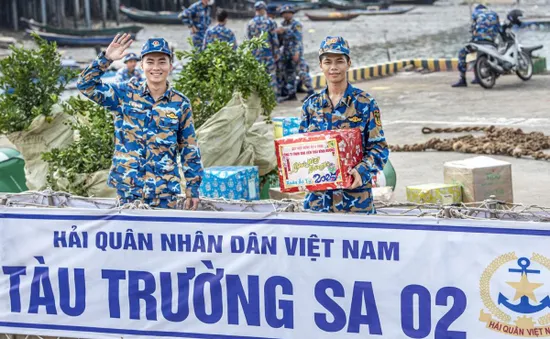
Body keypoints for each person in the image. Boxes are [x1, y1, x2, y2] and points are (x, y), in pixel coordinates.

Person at [77, 34, 204, 210]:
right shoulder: (125, 94)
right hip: (129, 191)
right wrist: (106, 59)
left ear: (170, 66)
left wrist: (193, 189)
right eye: (150, 62)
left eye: (162, 62)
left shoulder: (180, 103)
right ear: (142, 65)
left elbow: (189, 148)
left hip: (164, 192)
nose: (156, 67)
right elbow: (85, 85)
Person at [298, 36, 389, 214]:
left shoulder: (365, 103)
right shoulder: (310, 105)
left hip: (355, 203)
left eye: (339, 61)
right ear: (320, 66)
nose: (333, 67)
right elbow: (302, 149)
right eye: (328, 62)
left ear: (349, 63)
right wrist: (299, 175)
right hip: (318, 203)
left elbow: (379, 149)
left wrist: (361, 171)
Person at [452, 4, 500, 87]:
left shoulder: (476, 13)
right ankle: (478, 78)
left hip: (479, 42)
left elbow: (473, 29)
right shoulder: (494, 14)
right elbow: (499, 29)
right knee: (479, 55)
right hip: (491, 43)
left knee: (462, 53)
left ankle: (462, 79)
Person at [246, 1, 280, 94]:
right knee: (271, 76)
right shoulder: (270, 22)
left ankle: (259, 96)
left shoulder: (250, 23)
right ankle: (273, 97)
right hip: (267, 54)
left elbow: (249, 40)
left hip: (255, 54)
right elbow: (274, 40)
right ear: (264, 10)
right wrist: (276, 53)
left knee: (256, 76)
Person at [278, 5, 302, 101]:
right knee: (284, 71)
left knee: (292, 72)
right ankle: (285, 91)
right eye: (284, 13)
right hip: (284, 52)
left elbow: (298, 38)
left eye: (288, 13)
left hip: (293, 51)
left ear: (292, 14)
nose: (286, 15)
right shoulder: (281, 24)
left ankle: (292, 93)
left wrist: (296, 52)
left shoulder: (297, 24)